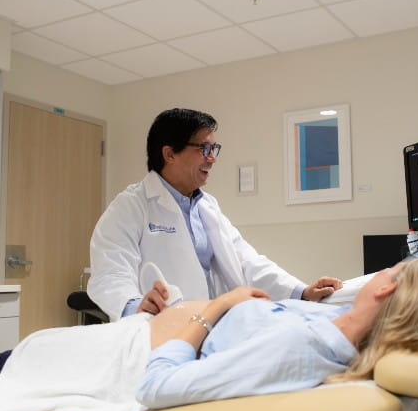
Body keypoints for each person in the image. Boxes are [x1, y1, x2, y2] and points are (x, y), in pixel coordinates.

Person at [0, 258, 418, 411]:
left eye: (390, 267)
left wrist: (217, 308)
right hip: (115, 337)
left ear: (385, 287)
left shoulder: (304, 351)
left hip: (99, 361)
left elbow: (158, 386)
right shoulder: (328, 328)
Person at [88, 108, 342, 321]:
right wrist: (135, 306)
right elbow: (110, 274)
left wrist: (301, 291)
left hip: (214, 326)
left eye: (214, 148)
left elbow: (247, 261)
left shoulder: (207, 206)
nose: (212, 159)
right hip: (158, 329)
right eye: (204, 149)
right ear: (169, 154)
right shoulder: (131, 206)